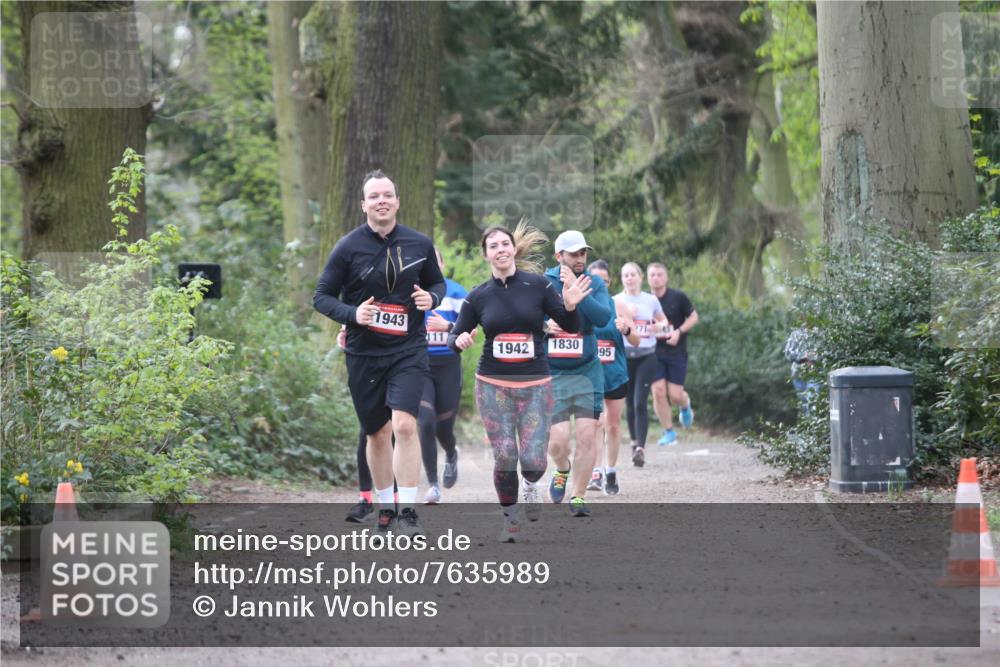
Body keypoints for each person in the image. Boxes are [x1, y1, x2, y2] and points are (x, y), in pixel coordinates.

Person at [314, 169, 445, 536]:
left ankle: (408, 511)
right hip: (364, 353)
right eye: (374, 196)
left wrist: (432, 298)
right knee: (376, 433)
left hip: (408, 349)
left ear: (397, 201)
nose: (381, 201)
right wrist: (353, 314)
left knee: (404, 425)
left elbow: (437, 282)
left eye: (387, 195)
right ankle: (385, 507)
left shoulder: (419, 243)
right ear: (364, 205)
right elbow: (321, 297)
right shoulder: (347, 247)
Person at [449, 222, 591, 541]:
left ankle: (530, 484)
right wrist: (457, 341)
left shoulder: (539, 286)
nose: (500, 249)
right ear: (486, 255)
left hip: (535, 383)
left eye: (505, 244)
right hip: (492, 383)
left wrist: (570, 306)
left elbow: (571, 326)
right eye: (493, 246)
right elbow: (454, 334)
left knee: (534, 459)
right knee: (504, 454)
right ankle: (510, 519)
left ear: (514, 249)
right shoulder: (478, 296)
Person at [544, 231, 612, 517]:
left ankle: (579, 496)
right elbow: (525, 317)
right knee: (557, 442)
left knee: (587, 435)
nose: (580, 258)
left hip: (587, 370)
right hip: (554, 372)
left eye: (583, 252)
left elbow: (603, 318)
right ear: (558, 256)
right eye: (573, 253)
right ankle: (562, 469)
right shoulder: (543, 283)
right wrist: (544, 325)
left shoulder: (594, 283)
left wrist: (576, 289)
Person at [586, 260, 639, 496]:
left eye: (603, 281)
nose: (599, 285)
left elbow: (636, 340)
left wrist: (626, 329)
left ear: (609, 283)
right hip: (590, 374)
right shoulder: (581, 307)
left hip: (615, 373)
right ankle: (596, 472)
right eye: (594, 280)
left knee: (613, 425)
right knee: (596, 423)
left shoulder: (618, 306)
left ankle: (611, 471)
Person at [420, 248, 468, 504]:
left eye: (434, 261)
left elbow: (471, 328)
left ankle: (451, 453)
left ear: (442, 264)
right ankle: (433, 484)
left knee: (443, 428)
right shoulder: (413, 292)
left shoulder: (457, 292)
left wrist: (448, 327)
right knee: (425, 422)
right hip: (419, 365)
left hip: (449, 365)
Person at [617, 262, 669, 467]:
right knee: (629, 402)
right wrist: (626, 315)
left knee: (640, 402)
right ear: (622, 279)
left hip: (647, 355)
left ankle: (641, 448)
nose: (629, 278)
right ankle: (633, 442)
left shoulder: (651, 300)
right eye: (625, 275)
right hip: (624, 356)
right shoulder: (616, 300)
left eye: (633, 274)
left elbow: (664, 321)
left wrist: (659, 326)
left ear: (640, 277)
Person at [646, 262, 697, 446]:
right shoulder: (644, 300)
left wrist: (678, 332)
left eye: (659, 274)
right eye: (652, 275)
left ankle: (685, 404)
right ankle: (669, 432)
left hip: (676, 351)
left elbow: (694, 317)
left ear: (666, 277)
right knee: (658, 391)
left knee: (675, 395)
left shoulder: (678, 297)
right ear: (647, 278)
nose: (656, 278)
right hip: (653, 352)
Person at [784, 322, 819, 416]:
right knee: (803, 403)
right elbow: (788, 353)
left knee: (812, 401)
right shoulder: (796, 333)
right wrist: (804, 357)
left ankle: (813, 423)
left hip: (814, 373)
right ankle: (807, 422)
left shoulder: (820, 333)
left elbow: (824, 354)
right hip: (798, 374)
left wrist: (811, 358)